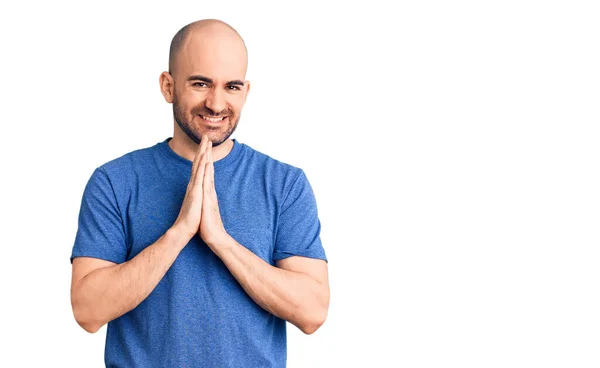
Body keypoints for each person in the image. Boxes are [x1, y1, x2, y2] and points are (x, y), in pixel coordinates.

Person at [70, 19, 329, 367]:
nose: (217, 103)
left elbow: (312, 312)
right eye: (201, 83)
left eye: (232, 87)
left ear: (246, 91)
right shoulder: (115, 181)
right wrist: (179, 233)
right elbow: (88, 311)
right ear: (168, 86)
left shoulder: (284, 184)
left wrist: (221, 240)